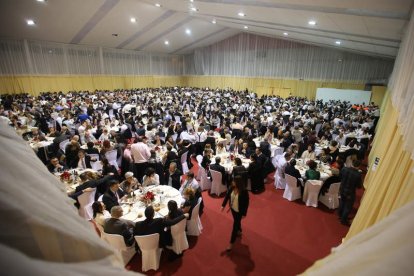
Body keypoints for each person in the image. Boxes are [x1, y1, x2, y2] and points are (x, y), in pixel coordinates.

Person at [221, 176, 249, 252]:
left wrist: (244, 213)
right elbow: (227, 196)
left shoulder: (244, 191)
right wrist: (223, 205)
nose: (232, 182)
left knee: (235, 226)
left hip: (239, 211)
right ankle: (239, 230)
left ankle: (231, 243)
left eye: (234, 181)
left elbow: (246, 203)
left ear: (238, 183)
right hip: (233, 209)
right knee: (237, 221)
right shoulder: (232, 188)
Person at [338, 160, 362, 226]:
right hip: (350, 192)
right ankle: (343, 220)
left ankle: (340, 215)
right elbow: (359, 186)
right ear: (358, 166)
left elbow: (340, 177)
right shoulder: (358, 174)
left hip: (342, 189)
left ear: (352, 163)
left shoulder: (344, 169)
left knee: (342, 202)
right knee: (348, 206)